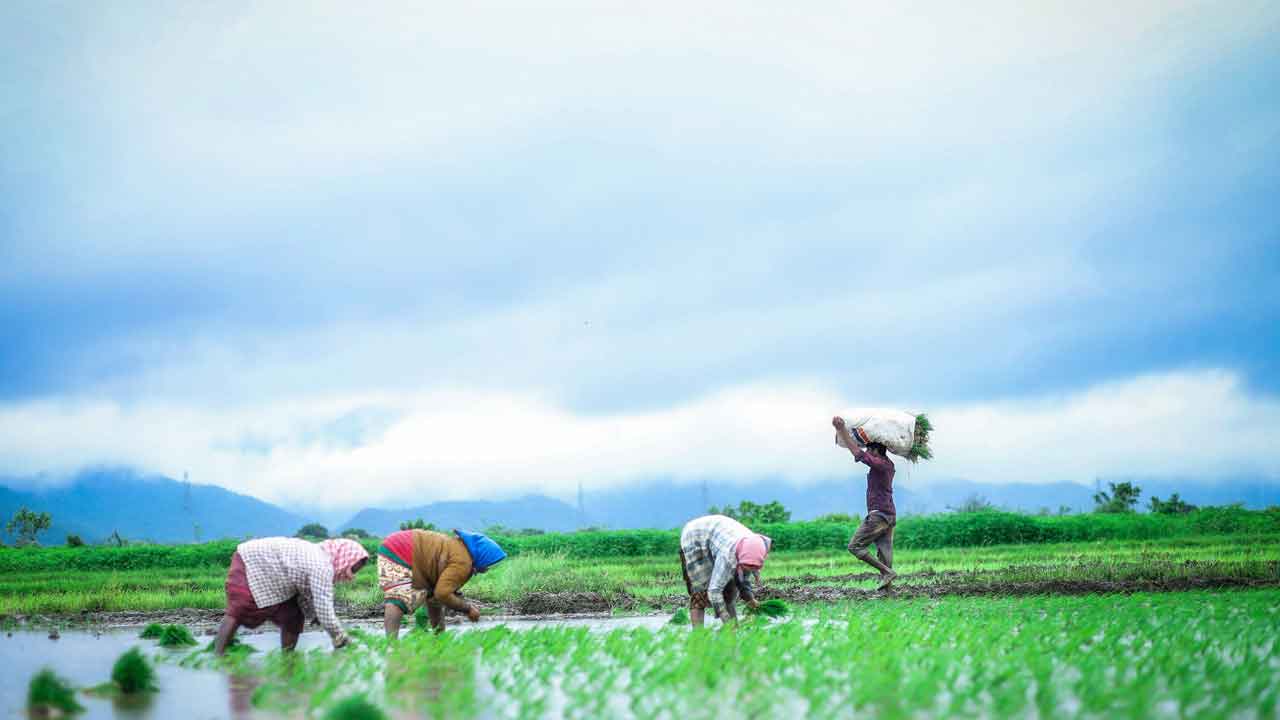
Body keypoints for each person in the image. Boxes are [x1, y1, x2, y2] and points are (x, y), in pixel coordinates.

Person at [215, 537, 368, 655]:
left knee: (293, 616)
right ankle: (218, 654)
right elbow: (324, 609)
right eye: (353, 568)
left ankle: (288, 657)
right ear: (344, 558)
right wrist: (341, 637)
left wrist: (314, 614)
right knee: (241, 606)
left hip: (276, 574)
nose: (352, 575)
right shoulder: (321, 565)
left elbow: (307, 594)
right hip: (252, 561)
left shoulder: (321, 558)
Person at [379, 528, 507, 638]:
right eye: (489, 562)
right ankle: (391, 646)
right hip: (401, 549)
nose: (488, 567)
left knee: (432, 599)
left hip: (406, 548)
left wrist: (441, 638)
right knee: (399, 599)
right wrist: (468, 609)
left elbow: (437, 598)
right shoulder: (463, 563)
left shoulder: (461, 553)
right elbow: (443, 594)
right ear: (483, 556)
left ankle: (439, 638)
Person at [832, 416, 897, 589]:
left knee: (855, 546)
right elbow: (861, 456)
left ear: (875, 450)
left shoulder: (881, 465)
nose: (867, 452)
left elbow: (859, 454)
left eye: (869, 449)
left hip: (879, 514)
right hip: (889, 515)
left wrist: (841, 430)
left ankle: (887, 573)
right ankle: (887, 591)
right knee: (885, 552)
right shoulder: (889, 464)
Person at [679, 514, 771, 627]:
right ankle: (699, 634)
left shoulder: (759, 545)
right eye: (747, 567)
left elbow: (742, 576)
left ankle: (733, 631)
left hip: (720, 534)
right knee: (700, 592)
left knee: (730, 592)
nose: (751, 569)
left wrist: (750, 598)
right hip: (695, 536)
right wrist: (724, 616)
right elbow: (714, 591)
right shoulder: (727, 556)